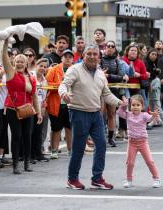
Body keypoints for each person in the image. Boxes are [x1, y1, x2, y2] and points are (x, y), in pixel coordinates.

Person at [59, 44, 125, 190]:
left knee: (101, 145)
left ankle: (97, 178)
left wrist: (120, 103)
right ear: (83, 55)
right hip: (78, 112)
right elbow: (63, 85)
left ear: (99, 57)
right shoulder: (74, 69)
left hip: (96, 114)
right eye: (89, 54)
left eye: (95, 54)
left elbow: (106, 94)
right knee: (78, 148)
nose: (92, 56)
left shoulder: (101, 74)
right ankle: (72, 179)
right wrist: (63, 94)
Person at [2, 38, 42, 174]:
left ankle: (26, 163)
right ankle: (15, 165)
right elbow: (4, 60)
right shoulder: (11, 73)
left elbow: (34, 96)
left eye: (22, 61)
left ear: (27, 63)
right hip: (13, 110)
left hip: (28, 110)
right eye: (17, 61)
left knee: (27, 136)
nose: (19, 63)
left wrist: (39, 113)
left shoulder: (31, 76)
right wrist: (6, 44)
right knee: (16, 136)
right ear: (14, 62)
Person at [117, 94, 161, 188]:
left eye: (138, 105)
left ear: (142, 106)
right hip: (132, 142)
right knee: (130, 163)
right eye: (133, 105)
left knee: (149, 161)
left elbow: (150, 119)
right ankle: (129, 180)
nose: (135, 107)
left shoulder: (144, 115)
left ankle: (156, 179)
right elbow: (119, 112)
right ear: (130, 106)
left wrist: (154, 116)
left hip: (142, 142)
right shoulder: (128, 114)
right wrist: (123, 105)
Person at [45, 49, 73, 159]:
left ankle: (71, 150)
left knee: (69, 128)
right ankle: (54, 150)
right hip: (56, 104)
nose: (67, 59)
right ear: (61, 58)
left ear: (72, 59)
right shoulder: (54, 69)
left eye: (70, 57)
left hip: (70, 104)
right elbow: (47, 84)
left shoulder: (75, 69)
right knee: (56, 128)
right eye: (65, 56)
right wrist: (60, 84)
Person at [100, 40, 126, 147]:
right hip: (101, 90)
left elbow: (121, 76)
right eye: (108, 46)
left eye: (112, 46)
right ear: (105, 48)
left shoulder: (117, 61)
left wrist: (108, 76)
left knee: (111, 114)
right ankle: (100, 137)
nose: (110, 48)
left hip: (113, 91)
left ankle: (111, 138)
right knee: (101, 115)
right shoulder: (100, 60)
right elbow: (96, 73)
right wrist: (103, 75)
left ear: (114, 48)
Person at [30, 58, 49, 163]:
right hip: (30, 108)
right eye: (41, 66)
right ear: (36, 66)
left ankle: (38, 154)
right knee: (30, 132)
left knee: (38, 132)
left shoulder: (44, 80)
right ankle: (30, 155)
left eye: (45, 67)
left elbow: (44, 96)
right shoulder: (30, 76)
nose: (43, 68)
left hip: (39, 109)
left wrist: (42, 110)